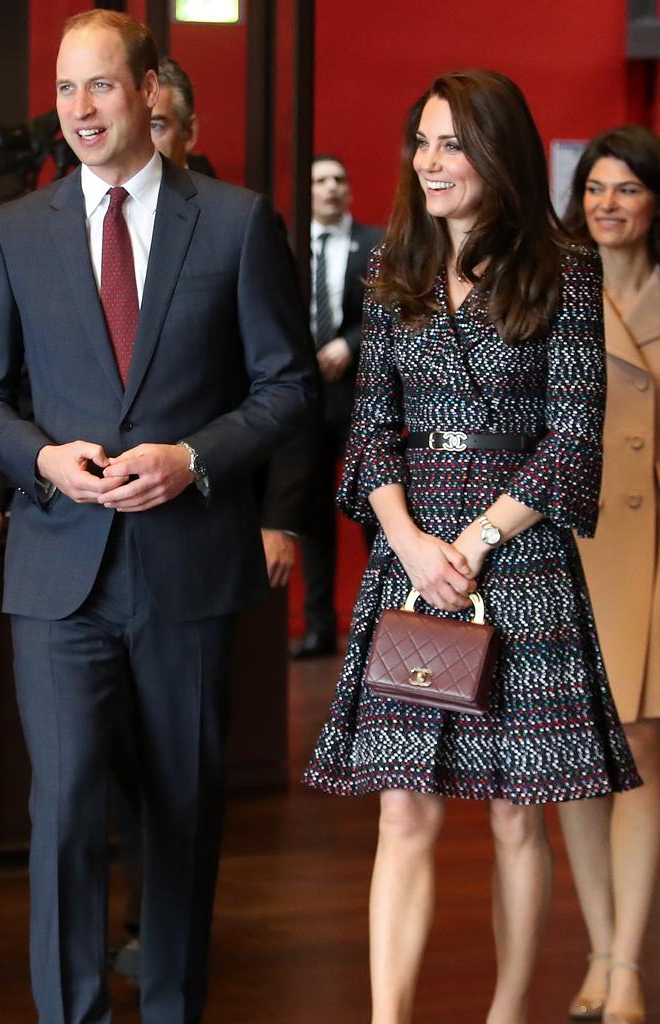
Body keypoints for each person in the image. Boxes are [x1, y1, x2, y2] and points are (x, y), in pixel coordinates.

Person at [0, 11, 315, 1024]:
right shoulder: (13, 232)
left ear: (150, 89)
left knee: (183, 815)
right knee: (64, 810)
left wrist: (194, 457)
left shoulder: (238, 223)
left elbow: (288, 390)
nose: (79, 110)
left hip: (187, 568)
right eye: (66, 90)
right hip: (59, 572)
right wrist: (40, 459)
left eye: (101, 86)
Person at [303, 70, 641, 1024]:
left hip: (519, 560)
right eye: (422, 141)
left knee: (512, 812)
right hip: (415, 564)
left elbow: (573, 437)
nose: (431, 161)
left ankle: (502, 1015)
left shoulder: (563, 266)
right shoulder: (393, 269)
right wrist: (410, 539)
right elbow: (369, 430)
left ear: (497, 151)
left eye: (452, 143)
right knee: (403, 805)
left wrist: (480, 535)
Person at [555, 126, 660, 1024]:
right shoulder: (551, 289)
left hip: (655, 551)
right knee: (579, 762)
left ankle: (627, 966)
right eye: (595, 188)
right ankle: (597, 949)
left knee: (641, 751)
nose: (609, 206)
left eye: (627, 189)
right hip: (570, 542)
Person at [290, 155, 382, 659]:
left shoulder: (375, 243)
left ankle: (380, 625)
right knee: (312, 521)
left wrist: (351, 343)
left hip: (359, 396)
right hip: (303, 400)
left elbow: (393, 311)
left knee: (377, 511)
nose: (330, 188)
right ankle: (319, 627)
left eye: (338, 180)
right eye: (319, 180)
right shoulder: (284, 245)